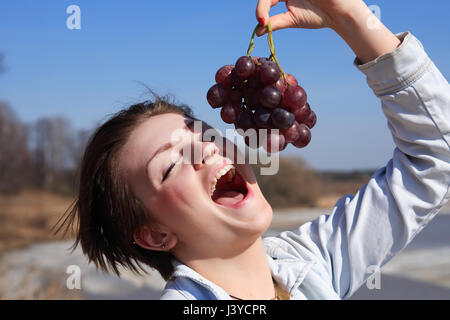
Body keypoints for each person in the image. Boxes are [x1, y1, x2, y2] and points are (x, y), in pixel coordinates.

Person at [57, 0, 450, 300]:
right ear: (155, 235)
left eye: (204, 135)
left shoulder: (312, 264)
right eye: (171, 164)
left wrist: (349, 17)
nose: (207, 151)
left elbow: (435, 160)